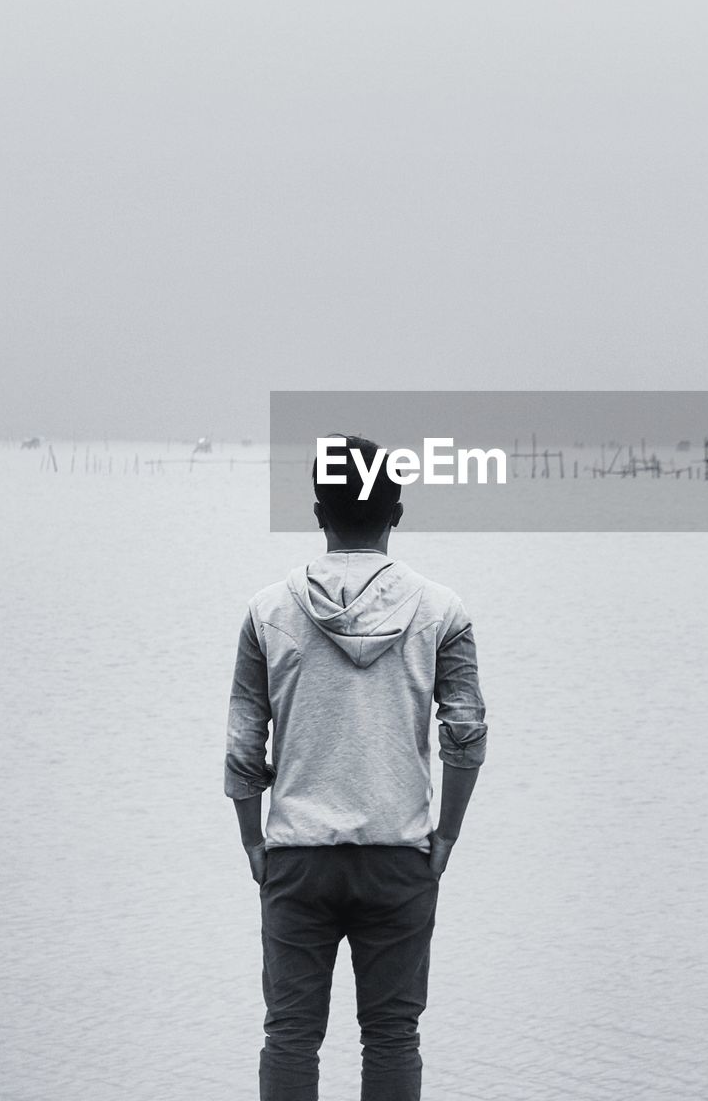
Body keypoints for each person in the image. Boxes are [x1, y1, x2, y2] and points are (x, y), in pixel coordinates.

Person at [224, 433, 488, 1101]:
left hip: (298, 855)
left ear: (319, 512)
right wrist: (447, 834)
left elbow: (242, 740)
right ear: (396, 513)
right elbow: (465, 732)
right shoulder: (443, 611)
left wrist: (254, 840)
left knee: (290, 1034)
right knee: (393, 1037)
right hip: (399, 852)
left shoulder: (267, 611)